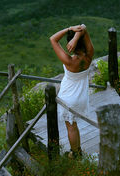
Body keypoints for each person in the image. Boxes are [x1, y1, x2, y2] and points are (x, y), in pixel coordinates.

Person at [49, 24, 94, 158]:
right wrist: (78, 35)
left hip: (68, 97)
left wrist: (69, 30)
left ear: (71, 44)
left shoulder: (69, 61)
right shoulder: (90, 55)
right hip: (81, 96)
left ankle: (75, 154)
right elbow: (84, 28)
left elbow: (53, 39)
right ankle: (78, 150)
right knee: (74, 125)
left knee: (71, 127)